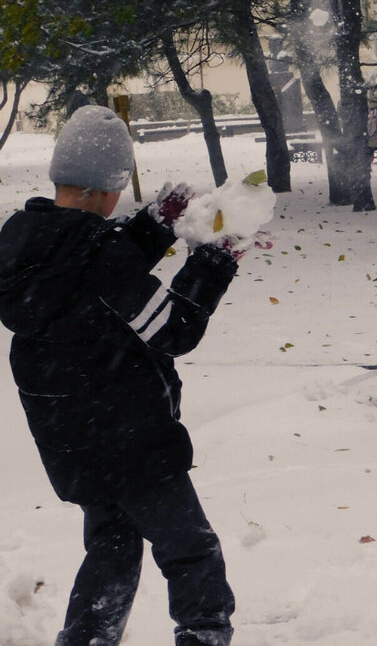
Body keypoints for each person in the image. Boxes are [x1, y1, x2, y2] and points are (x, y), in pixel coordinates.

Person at [0, 105, 243, 645]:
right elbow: (174, 330)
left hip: (69, 440)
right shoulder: (100, 258)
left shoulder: (22, 238)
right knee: (191, 552)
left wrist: (153, 225)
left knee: (112, 543)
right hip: (130, 438)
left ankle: (86, 638)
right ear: (111, 188)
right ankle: (204, 634)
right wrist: (214, 261)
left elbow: (84, 269)